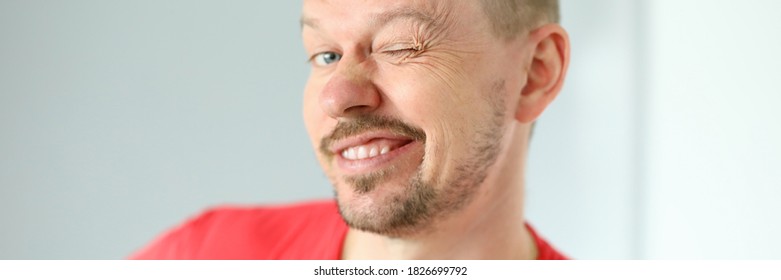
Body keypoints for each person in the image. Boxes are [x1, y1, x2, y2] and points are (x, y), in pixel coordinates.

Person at [132, 0, 570, 260]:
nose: (336, 96)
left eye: (400, 46)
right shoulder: (205, 254)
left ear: (535, 72)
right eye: (325, 55)